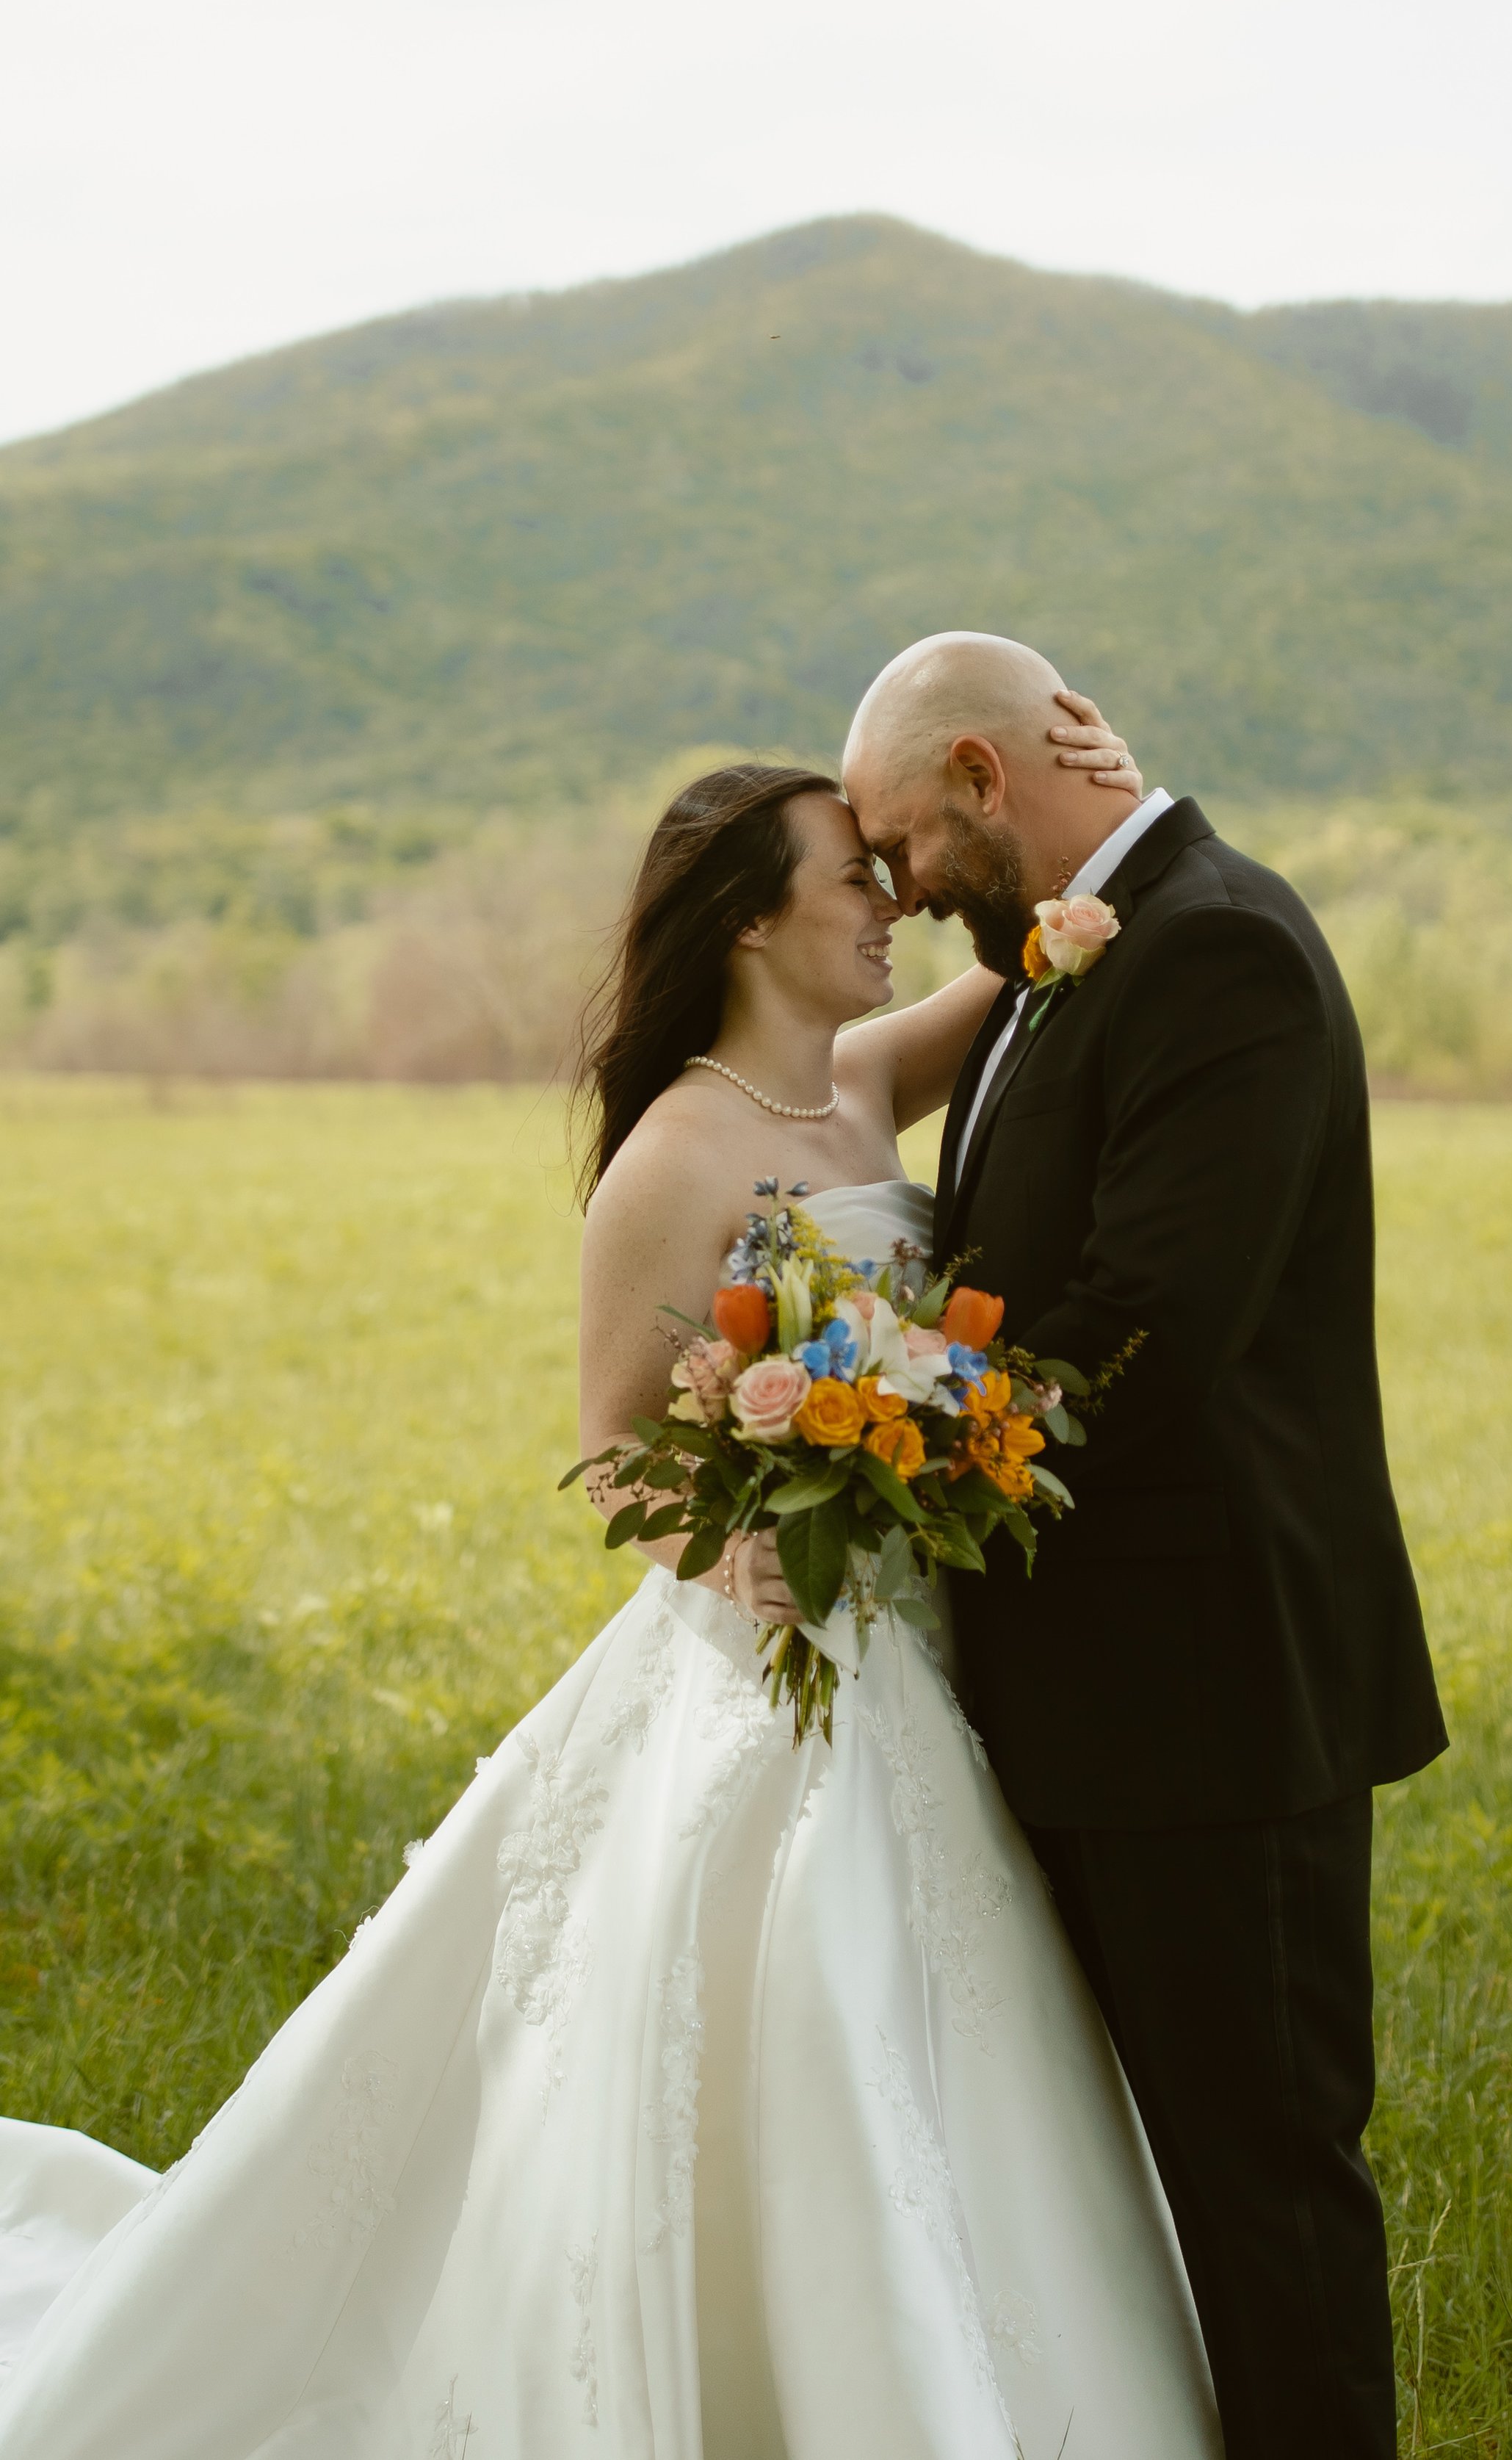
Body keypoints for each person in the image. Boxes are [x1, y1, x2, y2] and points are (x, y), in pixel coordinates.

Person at [0, 699, 1228, 2460]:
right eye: (850, 879)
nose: (887, 903)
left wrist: (1105, 814)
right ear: (749, 913)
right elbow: (604, 1448)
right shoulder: (673, 1151)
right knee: (793, 1992)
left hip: (912, 1642)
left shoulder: (863, 1079)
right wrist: (747, 1543)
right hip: (760, 1652)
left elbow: (1048, 956)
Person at [844, 632, 1448, 2460]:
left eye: (897, 847)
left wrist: (876, 1425)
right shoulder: (1066, 945)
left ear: (978, 773)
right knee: (1141, 2188)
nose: (890, 890)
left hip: (1210, 1699)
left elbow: (1140, 1336)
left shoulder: (1218, 945)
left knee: (1260, 2182)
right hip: (1093, 1693)